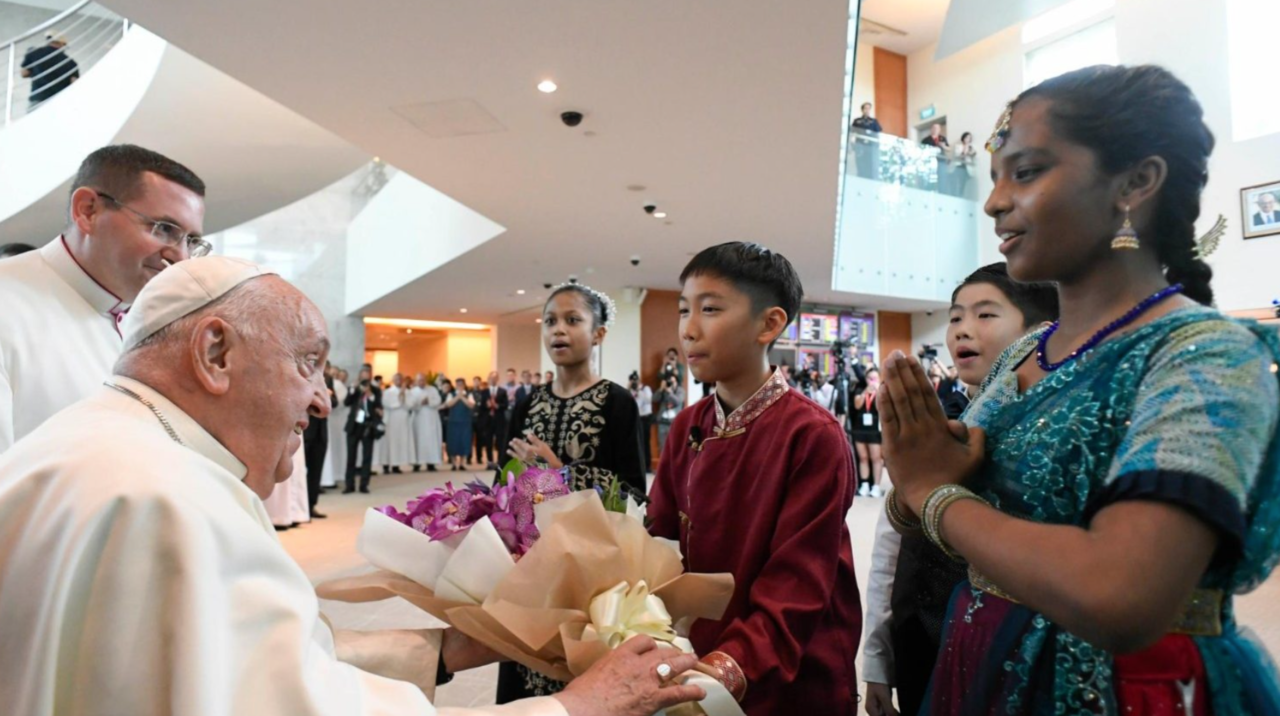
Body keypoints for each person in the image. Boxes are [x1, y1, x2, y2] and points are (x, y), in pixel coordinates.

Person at [0, 255, 707, 716]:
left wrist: (443, 651)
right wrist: (573, 708)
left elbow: (255, 662)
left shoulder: (87, 448)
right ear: (215, 351)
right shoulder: (168, 501)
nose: (320, 400)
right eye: (309, 362)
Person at [879, 65, 1280, 714]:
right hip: (980, 660)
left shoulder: (1206, 353)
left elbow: (1122, 595)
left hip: (1133, 689)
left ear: (1135, 183)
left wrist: (932, 492)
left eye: (1028, 172)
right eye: (995, 178)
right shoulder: (1020, 355)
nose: (994, 202)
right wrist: (919, 480)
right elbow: (933, 501)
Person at [648, 242, 862, 715]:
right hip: (697, 653)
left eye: (710, 309)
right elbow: (658, 539)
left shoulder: (812, 434)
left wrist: (723, 672)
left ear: (770, 324)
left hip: (787, 664)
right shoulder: (688, 425)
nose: (688, 328)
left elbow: (797, 586)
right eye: (684, 310)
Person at [861, 262, 1058, 716]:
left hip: (1014, 654)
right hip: (921, 644)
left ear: (1041, 330)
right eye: (954, 317)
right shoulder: (932, 426)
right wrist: (876, 657)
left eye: (985, 315)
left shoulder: (1051, 439)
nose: (962, 331)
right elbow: (890, 553)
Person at [0, 145, 207, 454]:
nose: (180, 256)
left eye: (191, 241)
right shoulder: (9, 304)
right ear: (88, 211)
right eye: (163, 229)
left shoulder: (151, 323)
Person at [498, 283, 647, 703]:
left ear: (598, 333)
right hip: (529, 564)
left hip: (589, 566)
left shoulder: (617, 403)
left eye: (572, 320)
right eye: (549, 321)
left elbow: (635, 493)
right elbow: (500, 484)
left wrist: (560, 472)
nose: (558, 331)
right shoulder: (527, 404)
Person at [302, 361, 337, 518]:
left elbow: (334, 402)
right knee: (300, 471)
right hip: (304, 429)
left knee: (316, 471)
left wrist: (329, 397)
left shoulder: (328, 378)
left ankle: (311, 505)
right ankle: (298, 509)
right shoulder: (302, 374)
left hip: (321, 431)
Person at [344, 367, 381, 494]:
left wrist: (370, 395)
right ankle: (349, 485)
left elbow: (379, 406)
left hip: (368, 426)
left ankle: (364, 485)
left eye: (367, 376)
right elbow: (346, 402)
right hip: (354, 426)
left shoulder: (375, 390)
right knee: (351, 456)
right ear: (359, 377)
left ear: (370, 377)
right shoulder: (354, 388)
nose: (365, 378)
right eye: (363, 376)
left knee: (367, 457)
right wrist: (353, 389)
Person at [20, 32, 80, 111]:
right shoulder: (71, 63)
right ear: (62, 44)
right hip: (59, 103)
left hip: (38, 99)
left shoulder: (34, 53)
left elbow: (24, 73)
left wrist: (36, 72)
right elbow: (74, 84)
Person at [850, 367, 885, 497]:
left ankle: (876, 486)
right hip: (860, 428)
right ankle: (864, 484)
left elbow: (879, 408)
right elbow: (857, 405)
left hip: (874, 429)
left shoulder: (882, 392)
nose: (872, 381)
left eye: (875, 378)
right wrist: (866, 392)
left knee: (876, 458)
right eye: (870, 378)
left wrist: (877, 392)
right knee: (863, 458)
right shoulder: (860, 390)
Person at [322, 367, 350, 489]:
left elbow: (336, 402)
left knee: (334, 449)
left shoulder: (336, 384)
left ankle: (333, 476)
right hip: (327, 420)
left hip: (336, 421)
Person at [382, 373, 415, 473]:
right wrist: (399, 402)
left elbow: (411, 405)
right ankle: (386, 464)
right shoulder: (388, 391)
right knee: (390, 442)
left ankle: (396, 465)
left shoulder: (408, 392)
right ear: (393, 380)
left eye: (400, 379)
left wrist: (403, 398)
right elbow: (385, 403)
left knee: (400, 442)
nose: (398, 380)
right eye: (396, 379)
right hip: (391, 418)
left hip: (403, 418)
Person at [410, 372, 443, 471]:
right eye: (419, 380)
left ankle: (431, 463)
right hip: (418, 420)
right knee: (417, 440)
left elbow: (438, 401)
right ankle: (417, 464)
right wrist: (420, 403)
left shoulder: (432, 389)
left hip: (431, 419)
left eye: (423, 380)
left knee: (431, 440)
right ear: (416, 381)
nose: (422, 382)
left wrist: (429, 402)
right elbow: (410, 404)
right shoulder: (412, 391)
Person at [444, 377, 475, 472]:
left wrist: (462, 397)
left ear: (464, 385)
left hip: (465, 422)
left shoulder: (469, 394)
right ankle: (454, 463)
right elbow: (448, 404)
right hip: (453, 422)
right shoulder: (451, 394)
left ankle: (462, 463)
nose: (459, 386)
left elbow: (471, 405)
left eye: (461, 384)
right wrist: (458, 396)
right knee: (453, 442)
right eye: (458, 384)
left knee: (464, 441)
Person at [629, 371, 655, 472]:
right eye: (632, 380)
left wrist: (639, 391)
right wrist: (630, 389)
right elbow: (633, 404)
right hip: (636, 418)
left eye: (636, 380)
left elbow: (648, 400)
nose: (635, 382)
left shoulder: (646, 389)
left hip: (645, 418)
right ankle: (637, 466)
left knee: (645, 442)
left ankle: (647, 466)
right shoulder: (631, 391)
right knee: (636, 443)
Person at [654, 374, 685, 460]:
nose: (670, 383)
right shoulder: (663, 390)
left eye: (672, 381)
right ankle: (663, 469)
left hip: (674, 422)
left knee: (675, 446)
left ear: (676, 382)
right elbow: (654, 399)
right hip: (662, 422)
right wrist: (661, 389)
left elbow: (678, 401)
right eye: (669, 381)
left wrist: (669, 392)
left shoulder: (680, 390)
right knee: (662, 446)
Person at [851, 102, 883, 179]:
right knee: (860, 165)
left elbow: (878, 132)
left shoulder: (873, 121)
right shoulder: (857, 121)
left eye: (869, 108)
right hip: (860, 145)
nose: (867, 110)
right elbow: (852, 132)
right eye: (866, 108)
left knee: (871, 166)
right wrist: (852, 144)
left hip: (870, 147)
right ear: (862, 110)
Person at [473, 375, 496, 469]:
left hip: (498, 420)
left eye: (495, 378)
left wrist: (497, 405)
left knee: (500, 442)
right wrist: (487, 406)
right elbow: (480, 407)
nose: (493, 380)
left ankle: (499, 461)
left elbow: (505, 404)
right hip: (486, 421)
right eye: (491, 378)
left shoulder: (502, 391)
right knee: (488, 442)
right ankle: (490, 462)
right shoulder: (483, 392)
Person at [950, 131, 977, 197]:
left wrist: (969, 151)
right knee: (958, 182)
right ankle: (958, 195)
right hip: (960, 166)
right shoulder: (958, 146)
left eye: (969, 138)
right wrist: (965, 148)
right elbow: (960, 155)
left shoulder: (971, 147)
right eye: (967, 137)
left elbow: (973, 154)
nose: (968, 139)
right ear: (964, 138)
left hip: (967, 167)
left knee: (964, 183)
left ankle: (962, 195)